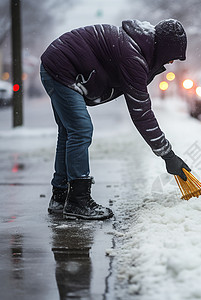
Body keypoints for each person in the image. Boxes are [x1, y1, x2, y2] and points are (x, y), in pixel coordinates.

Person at [40, 19, 191, 220]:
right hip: (62, 68)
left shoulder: (136, 47)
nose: (170, 63)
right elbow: (141, 112)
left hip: (57, 64)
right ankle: (78, 201)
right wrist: (168, 155)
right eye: (171, 57)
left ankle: (60, 197)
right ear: (163, 49)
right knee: (81, 130)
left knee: (69, 132)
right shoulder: (133, 57)